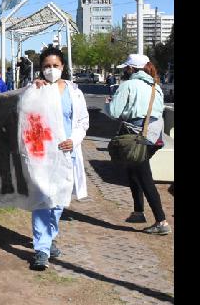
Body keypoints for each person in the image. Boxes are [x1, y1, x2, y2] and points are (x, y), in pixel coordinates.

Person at [29, 46, 89, 270]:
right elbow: (25, 117)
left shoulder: (74, 92)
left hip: (67, 154)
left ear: (63, 67)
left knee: (59, 203)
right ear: (40, 69)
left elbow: (83, 121)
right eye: (46, 67)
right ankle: (41, 249)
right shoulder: (36, 89)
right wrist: (33, 90)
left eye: (55, 66)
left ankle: (49, 237)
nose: (51, 70)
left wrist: (73, 140)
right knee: (42, 200)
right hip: (43, 156)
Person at [105, 54, 170, 235]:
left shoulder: (127, 85)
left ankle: (161, 221)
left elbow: (114, 112)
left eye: (126, 68)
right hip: (154, 135)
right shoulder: (155, 86)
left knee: (144, 176)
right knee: (133, 169)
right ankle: (138, 211)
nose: (125, 71)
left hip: (137, 135)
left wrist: (107, 105)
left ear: (131, 69)